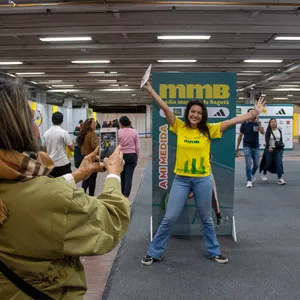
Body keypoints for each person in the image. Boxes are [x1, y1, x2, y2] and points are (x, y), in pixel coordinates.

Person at [0, 78, 130, 299]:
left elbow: (29, 195)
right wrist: (114, 175)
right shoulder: (52, 197)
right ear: (16, 126)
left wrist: (79, 174)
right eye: (31, 120)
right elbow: (111, 222)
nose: (35, 127)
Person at [141, 81, 266, 266]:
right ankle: (154, 253)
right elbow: (165, 108)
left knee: (206, 217)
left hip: (203, 180)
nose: (195, 115)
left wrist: (253, 113)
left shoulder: (209, 129)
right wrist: (150, 89)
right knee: (169, 217)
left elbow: (232, 121)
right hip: (181, 180)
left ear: (203, 115)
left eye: (199, 113)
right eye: (193, 112)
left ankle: (214, 251)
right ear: (188, 113)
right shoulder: (179, 127)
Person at [236, 109, 265, 188]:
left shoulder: (256, 123)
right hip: (247, 146)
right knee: (248, 164)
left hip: (256, 147)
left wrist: (259, 122)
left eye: (254, 113)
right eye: (251, 112)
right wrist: (237, 147)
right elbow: (240, 136)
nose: (253, 114)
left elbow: (262, 132)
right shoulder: (244, 124)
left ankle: (251, 174)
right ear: (248, 114)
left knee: (256, 165)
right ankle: (249, 180)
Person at [43, 111, 74, 177]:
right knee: (66, 184)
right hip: (63, 164)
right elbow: (72, 148)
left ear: (52, 120)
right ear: (62, 121)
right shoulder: (63, 132)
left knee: (53, 185)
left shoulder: (46, 133)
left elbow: (44, 150)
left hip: (51, 165)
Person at [118, 116, 140, 198]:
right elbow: (137, 147)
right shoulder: (134, 132)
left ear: (121, 123)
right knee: (129, 176)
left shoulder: (118, 132)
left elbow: (116, 146)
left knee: (122, 176)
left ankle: (121, 194)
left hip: (121, 156)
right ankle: (126, 196)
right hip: (132, 156)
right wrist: (137, 157)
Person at [259, 118, 285, 185]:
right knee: (268, 163)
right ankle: (264, 174)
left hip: (278, 150)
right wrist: (269, 147)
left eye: (274, 122)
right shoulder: (268, 131)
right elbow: (267, 141)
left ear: (276, 123)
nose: (273, 123)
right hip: (269, 150)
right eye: (272, 122)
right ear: (269, 124)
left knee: (279, 164)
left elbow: (281, 140)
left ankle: (280, 179)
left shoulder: (279, 130)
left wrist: (282, 149)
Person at [78, 118, 99, 196]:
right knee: (92, 179)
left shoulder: (83, 133)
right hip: (91, 158)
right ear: (90, 125)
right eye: (94, 123)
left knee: (85, 177)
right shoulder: (92, 134)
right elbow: (95, 147)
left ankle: (82, 194)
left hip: (83, 157)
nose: (95, 124)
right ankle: (91, 196)